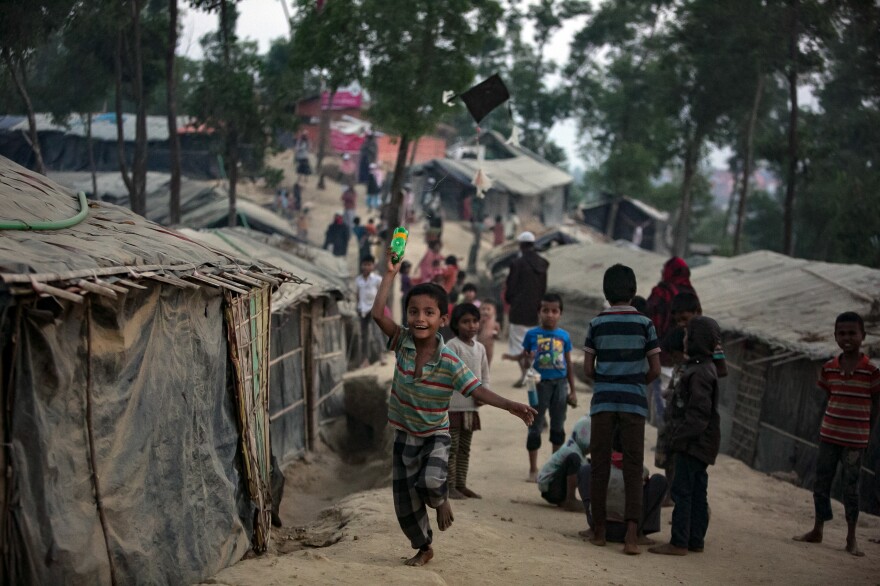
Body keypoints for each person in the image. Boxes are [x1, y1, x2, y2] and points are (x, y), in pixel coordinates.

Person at [370, 253, 536, 567]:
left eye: (429, 313)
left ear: (442, 320)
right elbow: (378, 313)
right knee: (404, 504)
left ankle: (442, 497)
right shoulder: (402, 341)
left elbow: (477, 390)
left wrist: (511, 405)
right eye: (414, 311)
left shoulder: (449, 361)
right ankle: (424, 547)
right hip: (405, 435)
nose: (420, 318)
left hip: (435, 435)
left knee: (432, 483)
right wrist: (390, 273)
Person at [583, 264, 661, 555]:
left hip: (603, 400)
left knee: (600, 464)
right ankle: (631, 534)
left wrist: (609, 378)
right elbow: (654, 369)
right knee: (633, 467)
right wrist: (635, 382)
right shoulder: (646, 324)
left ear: (606, 292)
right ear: (633, 290)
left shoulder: (596, 324)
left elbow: (588, 369)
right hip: (634, 402)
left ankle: (600, 530)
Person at [792, 312, 879, 557]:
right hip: (829, 435)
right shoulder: (829, 368)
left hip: (855, 439)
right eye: (841, 333)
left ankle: (851, 537)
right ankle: (817, 529)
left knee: (851, 488)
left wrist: (867, 433)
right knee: (821, 483)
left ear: (864, 336)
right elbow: (830, 397)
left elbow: (876, 404)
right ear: (835, 337)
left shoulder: (871, 371)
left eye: (852, 333)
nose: (847, 338)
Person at [649, 316, 722, 556]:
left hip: (692, 443)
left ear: (698, 341)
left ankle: (679, 541)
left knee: (682, 491)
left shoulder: (700, 372)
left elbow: (698, 414)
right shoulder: (703, 367)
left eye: (689, 336)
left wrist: (678, 438)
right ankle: (695, 540)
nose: (685, 340)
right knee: (698, 491)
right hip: (701, 443)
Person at [520, 293, 577, 482]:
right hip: (538, 385)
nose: (550, 315)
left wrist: (573, 390)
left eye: (555, 311)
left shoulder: (564, 336)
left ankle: (554, 467)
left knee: (558, 425)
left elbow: (569, 364)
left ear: (560, 314)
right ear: (539, 313)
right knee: (535, 424)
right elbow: (524, 357)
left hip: (560, 385)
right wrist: (528, 363)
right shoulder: (531, 335)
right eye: (546, 310)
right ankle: (533, 469)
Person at [446, 303, 489, 500]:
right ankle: (449, 485)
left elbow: (485, 375)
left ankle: (461, 484)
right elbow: (447, 375)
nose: (471, 326)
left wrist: (484, 393)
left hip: (472, 408)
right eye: (465, 322)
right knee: (451, 447)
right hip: (453, 406)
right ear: (456, 324)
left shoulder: (480, 348)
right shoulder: (452, 346)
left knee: (465, 447)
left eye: (474, 321)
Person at [579, 449, 667, 544]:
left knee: (585, 470)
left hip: (598, 526)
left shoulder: (601, 463)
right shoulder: (636, 466)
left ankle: (593, 528)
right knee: (659, 480)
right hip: (629, 530)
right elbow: (644, 475)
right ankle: (640, 534)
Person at [504, 231, 549, 387]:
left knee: (519, 345)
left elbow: (510, 288)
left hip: (518, 311)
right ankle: (532, 373)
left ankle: (525, 374)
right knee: (533, 344)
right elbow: (543, 289)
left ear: (521, 246)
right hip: (535, 311)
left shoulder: (517, 264)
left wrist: (511, 300)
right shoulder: (542, 264)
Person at [537, 416, 591, 512]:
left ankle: (566, 499)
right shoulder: (572, 451)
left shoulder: (576, 447)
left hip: (553, 486)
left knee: (588, 465)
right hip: (550, 488)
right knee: (574, 460)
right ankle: (571, 499)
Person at [356, 255, 386, 367]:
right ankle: (365, 360)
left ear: (373, 266)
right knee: (364, 335)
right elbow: (357, 295)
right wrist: (358, 307)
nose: (367, 267)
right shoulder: (358, 280)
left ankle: (381, 355)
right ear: (361, 265)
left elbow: (382, 294)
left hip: (374, 309)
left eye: (369, 264)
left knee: (376, 332)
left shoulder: (377, 279)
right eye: (365, 264)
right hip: (362, 309)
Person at [478, 300, 501, 366]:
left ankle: (487, 371)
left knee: (488, 359)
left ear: (494, 311)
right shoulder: (478, 322)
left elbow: (498, 336)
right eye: (483, 309)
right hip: (480, 344)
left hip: (489, 345)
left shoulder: (495, 324)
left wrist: (496, 335)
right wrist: (481, 323)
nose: (485, 311)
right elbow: (477, 331)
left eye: (488, 309)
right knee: (479, 359)